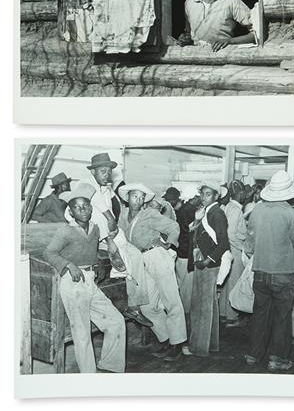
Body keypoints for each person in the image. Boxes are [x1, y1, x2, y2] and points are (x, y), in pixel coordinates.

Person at [43, 183, 126, 373]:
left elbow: (90, 251)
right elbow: (49, 253)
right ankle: (89, 377)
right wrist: (69, 265)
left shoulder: (95, 229)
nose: (83, 209)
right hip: (72, 282)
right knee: (82, 333)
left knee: (115, 321)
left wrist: (97, 264)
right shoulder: (65, 231)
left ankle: (111, 365)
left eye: (86, 205)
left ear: (91, 208)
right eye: (77, 207)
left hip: (90, 281)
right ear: (70, 212)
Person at [118, 183, 187, 362]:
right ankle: (165, 338)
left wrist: (167, 243)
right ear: (127, 197)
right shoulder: (123, 215)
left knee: (171, 301)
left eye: (142, 198)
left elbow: (174, 227)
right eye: (135, 196)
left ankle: (177, 344)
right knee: (147, 306)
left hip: (157, 256)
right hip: (139, 261)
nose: (138, 200)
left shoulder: (149, 214)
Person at [84, 152, 152, 328]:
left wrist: (112, 225)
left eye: (108, 171)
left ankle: (134, 306)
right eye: (102, 171)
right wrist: (109, 239)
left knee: (136, 255)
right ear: (93, 172)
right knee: (121, 258)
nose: (106, 175)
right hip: (96, 237)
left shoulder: (106, 189)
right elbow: (82, 214)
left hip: (111, 233)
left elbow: (112, 212)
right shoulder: (85, 187)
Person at [244, 170, 294, 372]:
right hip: (283, 273)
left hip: (260, 271)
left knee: (259, 314)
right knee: (282, 316)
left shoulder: (257, 211)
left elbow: (249, 241)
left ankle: (254, 354)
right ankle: (277, 359)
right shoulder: (290, 212)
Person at [184, 182, 230, 357]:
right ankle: (210, 345)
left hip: (207, 263)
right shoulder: (207, 212)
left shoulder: (216, 213)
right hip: (203, 260)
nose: (203, 197)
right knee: (209, 305)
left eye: (208, 194)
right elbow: (194, 234)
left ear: (216, 196)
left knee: (201, 307)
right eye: (202, 194)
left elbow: (223, 242)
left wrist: (207, 261)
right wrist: (197, 219)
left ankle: (198, 347)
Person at [220, 180, 248, 326]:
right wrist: (241, 247)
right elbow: (231, 233)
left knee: (227, 281)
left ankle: (223, 313)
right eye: (244, 193)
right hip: (235, 249)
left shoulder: (228, 206)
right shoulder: (236, 209)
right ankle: (232, 316)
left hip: (227, 248)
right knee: (235, 283)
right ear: (241, 193)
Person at [174, 185, 201, 316]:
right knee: (186, 287)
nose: (199, 199)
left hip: (182, 252)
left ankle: (184, 311)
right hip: (186, 252)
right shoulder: (189, 212)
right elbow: (190, 231)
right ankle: (186, 313)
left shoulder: (183, 209)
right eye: (198, 197)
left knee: (182, 283)